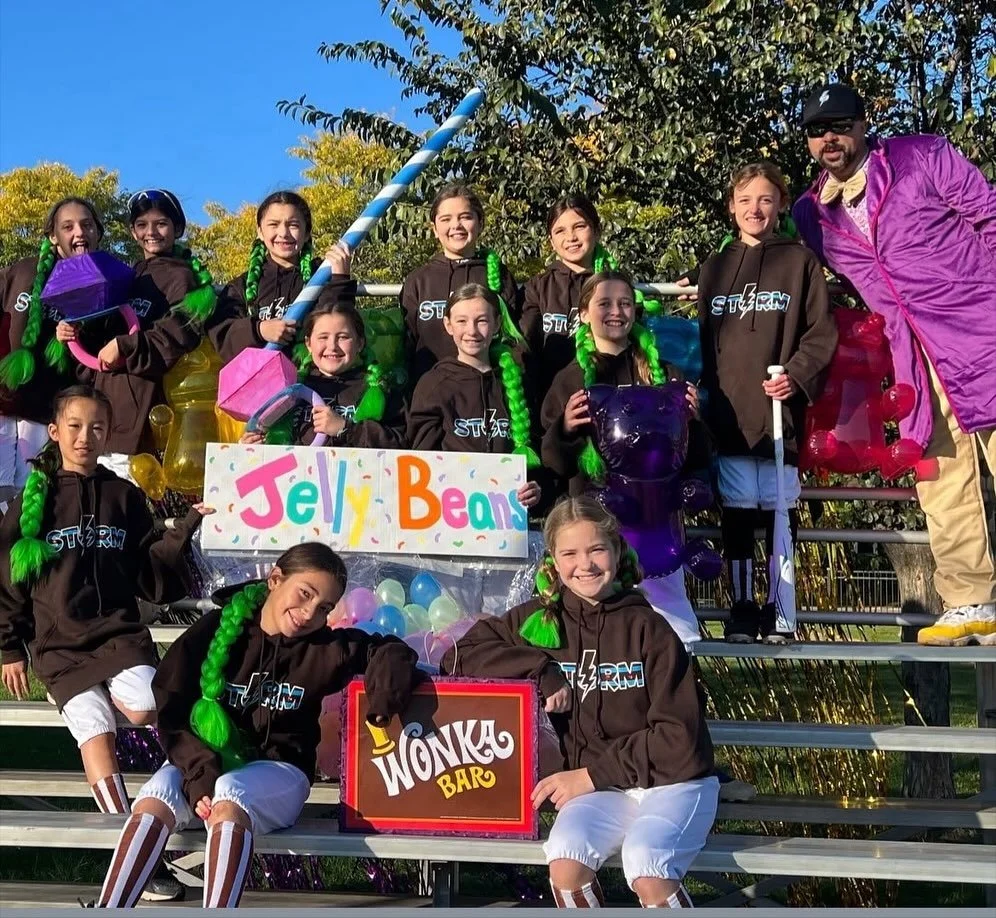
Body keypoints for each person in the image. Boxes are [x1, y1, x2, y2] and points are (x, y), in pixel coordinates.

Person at [92, 542, 419, 909]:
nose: (309, 612)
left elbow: (390, 650)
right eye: (305, 594)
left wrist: (383, 700)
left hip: (280, 771)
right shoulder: (217, 630)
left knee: (233, 790)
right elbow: (172, 702)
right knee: (158, 793)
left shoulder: (324, 648)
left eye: (324, 607)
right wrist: (199, 771)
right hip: (207, 761)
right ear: (275, 579)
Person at [792, 83, 996, 647]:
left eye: (838, 124)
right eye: (816, 131)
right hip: (912, 362)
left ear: (863, 123)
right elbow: (797, 276)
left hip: (981, 335)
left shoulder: (921, 156)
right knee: (939, 476)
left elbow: (990, 215)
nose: (828, 139)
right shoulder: (811, 214)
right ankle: (969, 600)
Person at [441, 497, 718, 908]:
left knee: (647, 864)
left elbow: (679, 738)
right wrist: (539, 668)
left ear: (617, 551)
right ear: (553, 558)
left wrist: (590, 775)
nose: (584, 565)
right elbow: (460, 656)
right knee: (566, 861)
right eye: (569, 553)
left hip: (672, 782)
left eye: (596, 550)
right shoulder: (541, 620)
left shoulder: (650, 628)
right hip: (601, 787)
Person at [0, 385, 209, 901]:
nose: (84, 437)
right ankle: (134, 850)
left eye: (96, 427)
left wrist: (186, 527)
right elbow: (7, 581)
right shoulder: (34, 499)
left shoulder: (123, 496)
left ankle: (170, 813)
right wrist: (9, 648)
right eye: (73, 426)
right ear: (54, 431)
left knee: (143, 705)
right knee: (94, 727)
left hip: (118, 635)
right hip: (59, 645)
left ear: (108, 432)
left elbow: (151, 574)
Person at [697, 162, 836, 644]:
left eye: (765, 199)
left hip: (780, 415)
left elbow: (821, 333)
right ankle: (741, 608)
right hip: (731, 414)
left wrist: (795, 377)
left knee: (779, 510)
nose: (754, 209)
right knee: (736, 514)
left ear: (779, 204)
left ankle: (781, 608)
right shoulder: (713, 269)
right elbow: (704, 345)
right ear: (731, 206)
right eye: (745, 200)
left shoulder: (799, 262)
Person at [540, 270, 705, 647]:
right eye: (604, 304)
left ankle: (675, 697)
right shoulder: (569, 380)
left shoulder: (665, 374)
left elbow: (693, 457)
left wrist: (693, 423)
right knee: (601, 636)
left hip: (656, 528)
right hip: (595, 531)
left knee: (675, 637)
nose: (616, 312)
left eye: (625, 303)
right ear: (583, 313)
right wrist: (565, 428)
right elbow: (555, 463)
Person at [55, 189, 216, 460]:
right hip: (104, 411)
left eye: (161, 224)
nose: (151, 232)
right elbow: (101, 335)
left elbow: (176, 335)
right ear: (132, 231)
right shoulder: (125, 276)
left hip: (144, 421)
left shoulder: (183, 278)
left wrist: (125, 345)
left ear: (177, 228)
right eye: (142, 225)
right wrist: (73, 332)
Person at [407, 283, 546, 511]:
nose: (472, 331)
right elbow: (421, 462)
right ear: (448, 325)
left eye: (481, 320)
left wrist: (535, 489)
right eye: (461, 321)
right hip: (450, 516)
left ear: (497, 324)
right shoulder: (433, 385)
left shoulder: (517, 380)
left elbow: (535, 457)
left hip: (507, 521)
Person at [0, 198, 100, 508]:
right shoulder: (22, 271)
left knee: (29, 497)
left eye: (86, 225)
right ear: (53, 236)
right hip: (3, 403)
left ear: (98, 233)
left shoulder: (100, 286)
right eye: (68, 226)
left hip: (48, 412)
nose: (79, 232)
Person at [208, 191, 354, 364]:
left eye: (293, 225)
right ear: (260, 232)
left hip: (313, 384)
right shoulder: (240, 286)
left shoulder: (323, 275)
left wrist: (340, 281)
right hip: (261, 385)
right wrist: (259, 329)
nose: (283, 233)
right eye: (274, 224)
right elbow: (221, 334)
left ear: (307, 233)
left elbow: (340, 326)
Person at [241, 302, 406, 449]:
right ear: (308, 344)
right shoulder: (285, 392)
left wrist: (344, 428)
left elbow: (401, 443)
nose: (332, 346)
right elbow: (262, 435)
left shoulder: (383, 390)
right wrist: (250, 446)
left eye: (343, 337)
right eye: (323, 337)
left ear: (360, 343)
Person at [400, 184, 518, 384]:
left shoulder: (500, 276)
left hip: (486, 393)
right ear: (435, 229)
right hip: (430, 394)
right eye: (446, 219)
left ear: (480, 223)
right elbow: (405, 348)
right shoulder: (418, 281)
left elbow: (513, 341)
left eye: (465, 217)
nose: (456, 226)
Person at [520, 195, 603, 391]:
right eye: (560, 231)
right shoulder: (537, 287)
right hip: (548, 398)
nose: (571, 238)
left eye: (579, 227)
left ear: (597, 231)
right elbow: (524, 344)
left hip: (603, 395)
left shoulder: (613, 285)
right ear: (551, 241)